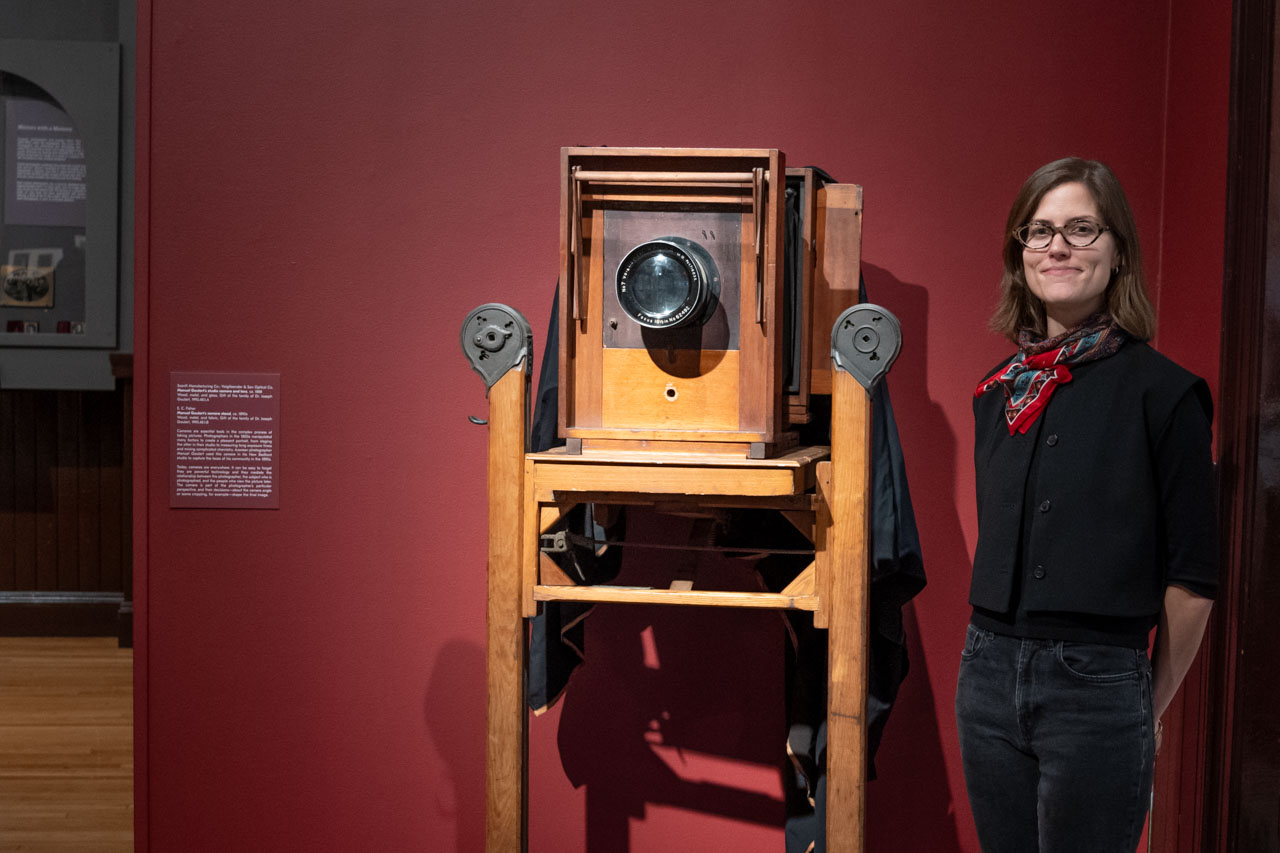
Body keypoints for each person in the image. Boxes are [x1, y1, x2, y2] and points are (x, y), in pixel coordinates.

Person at [955, 157, 1217, 853]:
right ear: (1020, 255)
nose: (1058, 246)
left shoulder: (1167, 396)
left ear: (1118, 250)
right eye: (1039, 232)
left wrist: (1145, 703)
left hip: (1099, 684)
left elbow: (1193, 581)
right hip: (984, 673)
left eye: (1081, 228)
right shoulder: (995, 394)